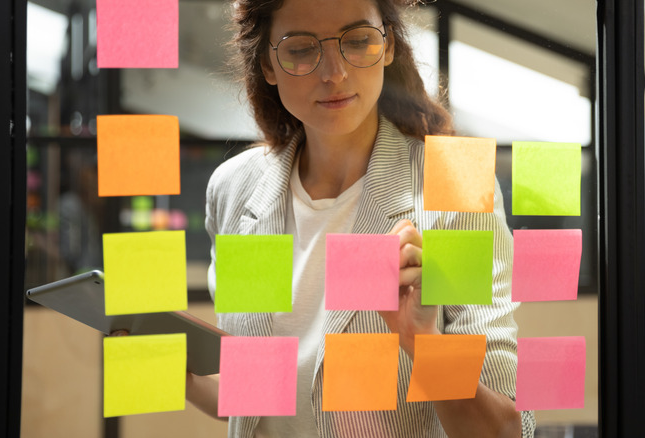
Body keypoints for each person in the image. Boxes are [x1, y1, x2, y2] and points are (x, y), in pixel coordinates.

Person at [188, 0, 535, 436]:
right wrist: (171, 369)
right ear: (267, 65)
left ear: (388, 45)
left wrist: (422, 342)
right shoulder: (236, 189)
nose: (334, 72)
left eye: (357, 41)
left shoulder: (454, 186)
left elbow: (503, 430)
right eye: (300, 49)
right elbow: (259, 396)